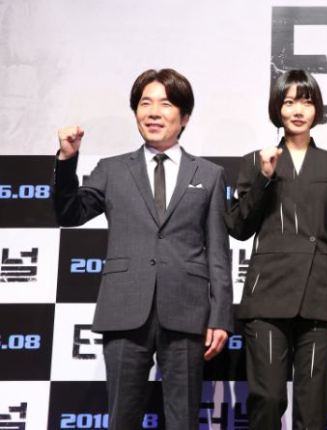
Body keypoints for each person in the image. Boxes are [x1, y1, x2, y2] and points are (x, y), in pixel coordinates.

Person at [53, 68, 233, 429]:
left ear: (184, 117)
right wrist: (67, 158)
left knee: (183, 419)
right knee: (122, 418)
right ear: (135, 112)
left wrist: (220, 316)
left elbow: (218, 252)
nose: (153, 112)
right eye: (145, 103)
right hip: (124, 310)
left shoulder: (209, 175)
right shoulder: (112, 169)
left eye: (165, 104)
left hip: (186, 311)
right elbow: (68, 213)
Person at [226, 69, 327, 430]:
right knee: (267, 399)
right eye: (289, 101)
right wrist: (264, 178)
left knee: (313, 406)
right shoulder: (256, 160)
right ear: (277, 109)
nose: (298, 110)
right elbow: (238, 227)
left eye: (306, 101)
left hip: (319, 294)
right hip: (267, 295)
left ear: (316, 110)